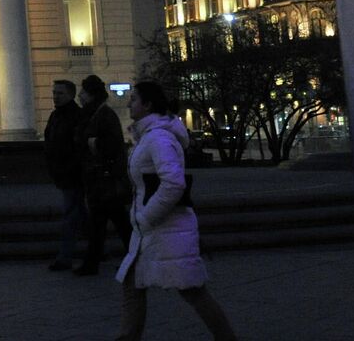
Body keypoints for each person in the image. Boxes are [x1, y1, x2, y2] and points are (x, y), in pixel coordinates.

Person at [114, 80, 237, 341]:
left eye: (134, 99)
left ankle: (227, 338)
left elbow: (173, 183)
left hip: (165, 228)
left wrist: (146, 217)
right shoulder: (149, 136)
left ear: (147, 105)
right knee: (132, 285)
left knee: (192, 290)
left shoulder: (158, 138)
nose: (129, 103)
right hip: (153, 229)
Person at [75, 75, 133, 276]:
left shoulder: (103, 114)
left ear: (91, 94)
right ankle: (93, 263)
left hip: (105, 179)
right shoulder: (94, 113)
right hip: (98, 179)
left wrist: (92, 144)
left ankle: (96, 263)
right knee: (107, 224)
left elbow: (112, 145)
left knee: (115, 224)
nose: (80, 96)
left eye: (82, 92)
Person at [43, 78, 87, 272]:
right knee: (81, 214)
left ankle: (65, 257)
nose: (55, 97)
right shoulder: (56, 116)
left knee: (70, 215)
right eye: (54, 93)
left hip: (73, 174)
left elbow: (77, 147)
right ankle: (98, 249)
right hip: (63, 173)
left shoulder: (75, 116)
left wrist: (68, 168)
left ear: (71, 95)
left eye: (60, 93)